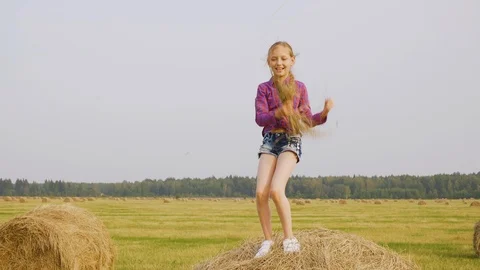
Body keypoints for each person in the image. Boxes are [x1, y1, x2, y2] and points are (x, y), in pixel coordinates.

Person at [254, 41, 334, 258]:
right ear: (268, 62)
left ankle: (289, 238)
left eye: (283, 58)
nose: (278, 63)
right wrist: (278, 113)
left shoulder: (300, 88)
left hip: (291, 140)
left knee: (276, 190)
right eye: (274, 59)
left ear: (292, 61)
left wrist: (323, 114)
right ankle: (268, 241)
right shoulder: (264, 89)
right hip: (270, 140)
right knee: (261, 193)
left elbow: (306, 119)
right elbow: (260, 118)